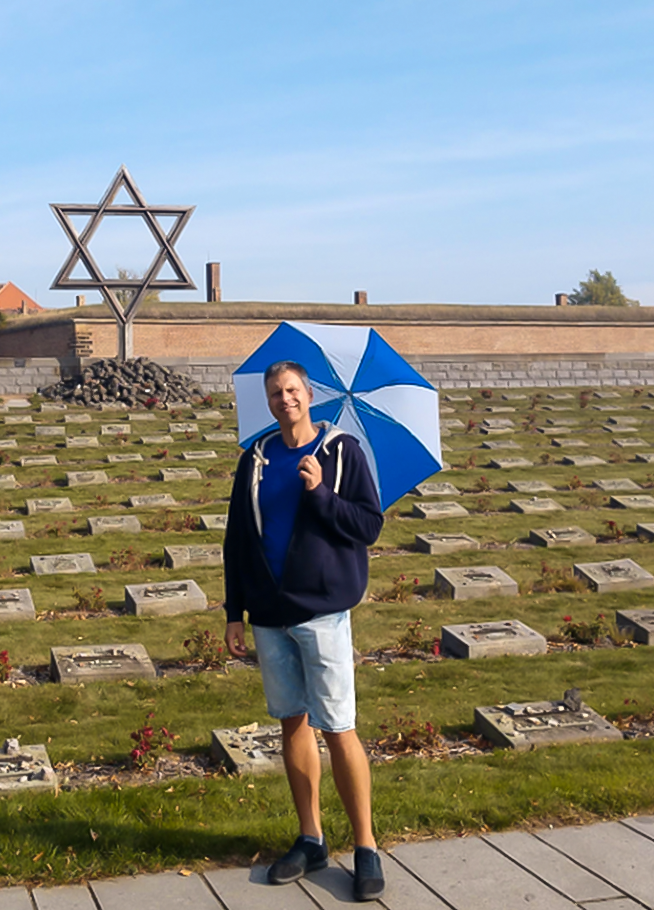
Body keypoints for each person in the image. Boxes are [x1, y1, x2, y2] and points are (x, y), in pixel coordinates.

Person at [222, 360, 386, 902]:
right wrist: (233, 612)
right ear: (267, 401)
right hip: (270, 614)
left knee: (338, 727)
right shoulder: (258, 457)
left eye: (292, 390)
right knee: (291, 723)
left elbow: (368, 525)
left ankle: (365, 847)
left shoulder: (342, 453)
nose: (284, 399)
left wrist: (320, 494)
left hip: (322, 611)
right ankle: (311, 837)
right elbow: (238, 538)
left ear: (308, 394)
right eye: (275, 393)